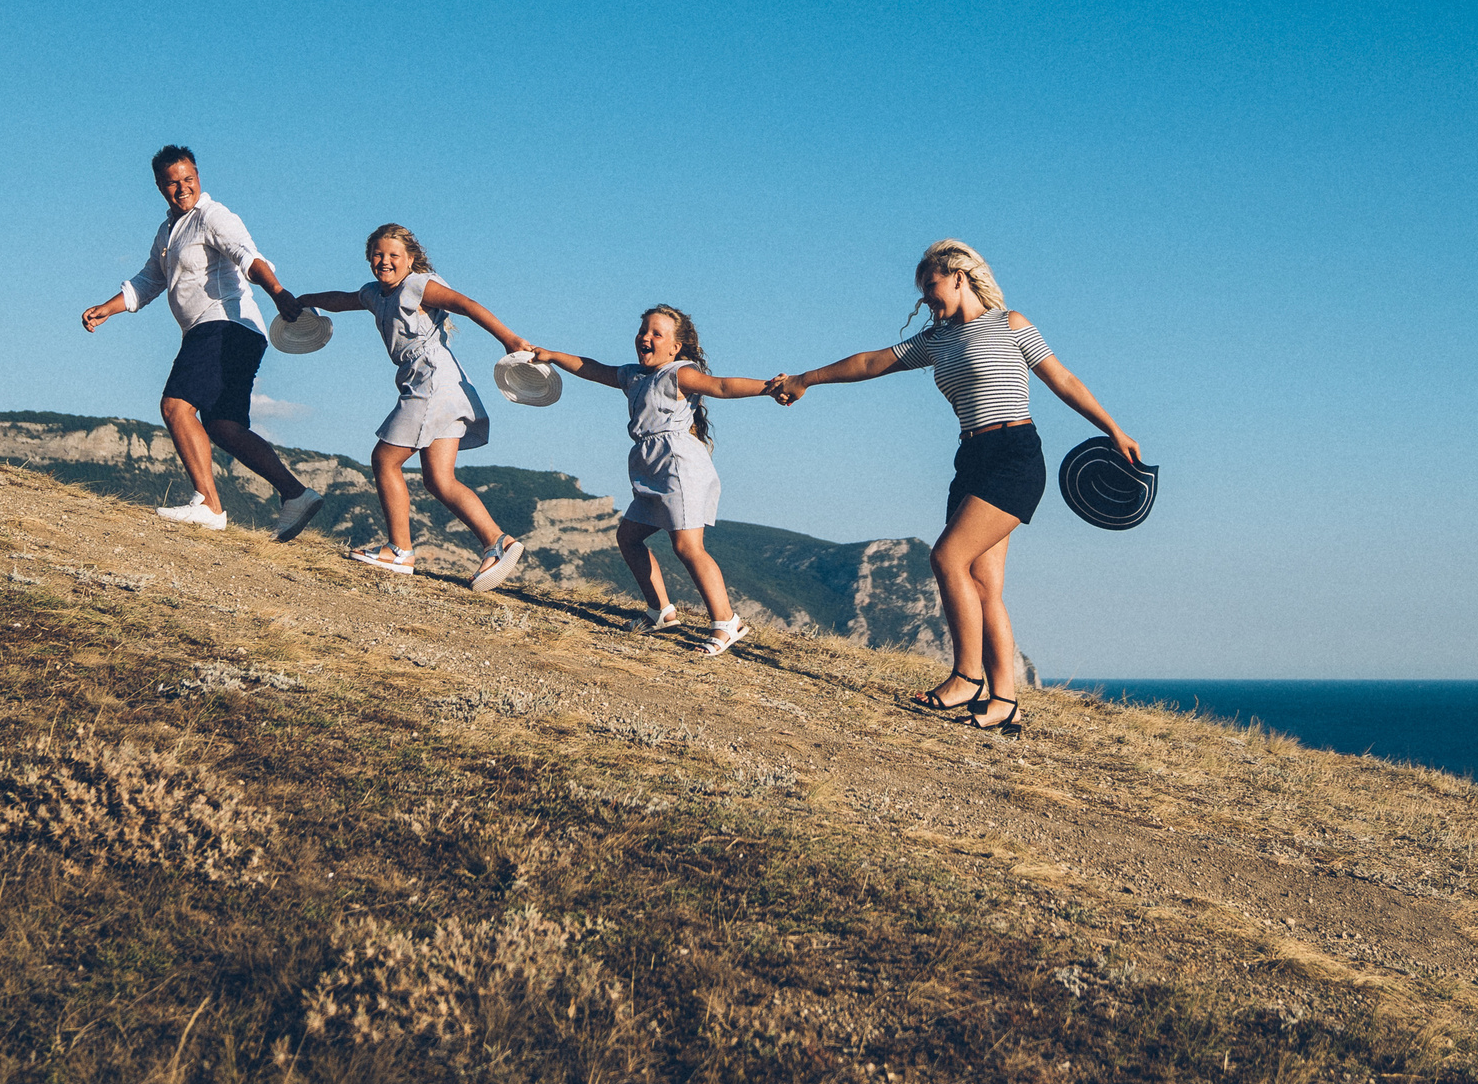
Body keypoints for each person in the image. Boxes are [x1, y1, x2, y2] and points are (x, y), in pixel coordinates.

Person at [767, 239, 1141, 733]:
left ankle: (967, 676)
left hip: (1015, 454)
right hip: (971, 460)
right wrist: (805, 379)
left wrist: (1112, 429)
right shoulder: (937, 340)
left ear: (959, 276)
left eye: (932, 287)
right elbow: (871, 363)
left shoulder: (1011, 325)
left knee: (946, 559)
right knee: (984, 584)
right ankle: (1005, 700)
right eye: (923, 293)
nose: (927, 300)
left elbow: (1063, 379)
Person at [79, 145, 324, 536]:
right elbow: (150, 279)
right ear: (160, 186)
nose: (182, 188)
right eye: (172, 182)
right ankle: (295, 494)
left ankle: (209, 506)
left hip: (223, 325)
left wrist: (278, 291)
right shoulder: (168, 231)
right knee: (225, 426)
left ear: (198, 176)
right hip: (231, 333)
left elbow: (247, 255)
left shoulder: (212, 215)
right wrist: (108, 308)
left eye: (188, 179)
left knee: (176, 407)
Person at [283, 224, 533, 589]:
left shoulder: (418, 285)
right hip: (442, 386)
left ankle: (399, 551)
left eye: (393, 256)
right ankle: (499, 542)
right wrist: (306, 299)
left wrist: (508, 339)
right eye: (378, 255)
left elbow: (466, 305)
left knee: (384, 460)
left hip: (431, 383)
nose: (384, 261)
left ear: (410, 260)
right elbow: (344, 298)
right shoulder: (374, 294)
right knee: (439, 480)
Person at [527, 305, 775, 658]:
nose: (646, 337)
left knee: (688, 546)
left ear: (675, 347)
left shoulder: (678, 374)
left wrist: (770, 388)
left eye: (657, 334)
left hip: (678, 464)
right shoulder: (633, 375)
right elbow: (593, 368)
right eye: (643, 331)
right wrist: (551, 355)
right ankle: (661, 612)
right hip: (648, 464)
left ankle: (726, 621)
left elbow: (722, 386)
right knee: (629, 537)